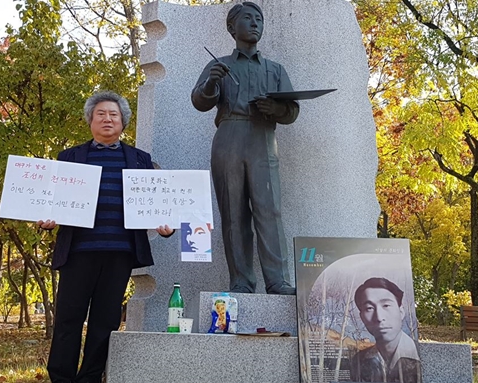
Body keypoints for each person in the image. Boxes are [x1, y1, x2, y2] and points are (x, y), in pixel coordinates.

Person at [37, 90, 174, 383]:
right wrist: (46, 221)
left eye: (113, 114)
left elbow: (156, 204)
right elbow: (49, 202)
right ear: (90, 120)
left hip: (119, 254)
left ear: (123, 122)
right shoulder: (69, 157)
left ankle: (90, 377)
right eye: (101, 114)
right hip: (77, 252)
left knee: (106, 322)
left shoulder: (140, 160)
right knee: (68, 320)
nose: (107, 119)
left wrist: (166, 226)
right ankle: (61, 378)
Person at [191, 1, 299, 295]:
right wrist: (212, 83)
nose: (255, 23)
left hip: (263, 137)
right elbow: (200, 102)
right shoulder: (220, 65)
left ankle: (277, 280)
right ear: (231, 27)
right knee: (233, 212)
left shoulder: (275, 69)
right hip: (229, 136)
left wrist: (275, 107)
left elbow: (292, 112)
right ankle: (240, 280)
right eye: (248, 19)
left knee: (270, 210)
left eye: (259, 19)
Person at [350, 277, 422, 382]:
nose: (379, 317)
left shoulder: (420, 354)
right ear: (362, 317)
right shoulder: (358, 361)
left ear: (401, 312)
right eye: (369, 308)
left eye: (386, 305)